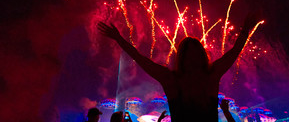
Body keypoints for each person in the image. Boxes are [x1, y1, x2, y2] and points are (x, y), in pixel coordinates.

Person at [98, 12, 261, 122]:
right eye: (191, 54)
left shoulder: (176, 79)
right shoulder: (207, 76)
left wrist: (246, 30)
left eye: (194, 54)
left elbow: (234, 52)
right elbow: (140, 59)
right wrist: (119, 39)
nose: (193, 59)